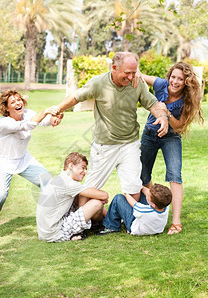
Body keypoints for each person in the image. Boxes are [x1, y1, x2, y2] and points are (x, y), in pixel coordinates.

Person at [54, 52, 169, 209]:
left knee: (134, 188)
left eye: (134, 72)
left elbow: (152, 104)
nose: (130, 77)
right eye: (127, 73)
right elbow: (75, 97)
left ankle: (130, 222)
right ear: (115, 68)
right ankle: (81, 222)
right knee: (89, 189)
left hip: (130, 144)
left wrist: (162, 117)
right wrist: (57, 110)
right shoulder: (98, 83)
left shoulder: (137, 83)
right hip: (104, 145)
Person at [0, 89, 61, 244]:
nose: (18, 103)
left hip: (23, 160)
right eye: (13, 102)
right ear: (6, 108)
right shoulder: (4, 123)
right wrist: (45, 111)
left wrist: (54, 119)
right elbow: (28, 125)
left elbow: (43, 121)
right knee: (1, 194)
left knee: (48, 182)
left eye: (19, 99)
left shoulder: (28, 113)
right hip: (3, 162)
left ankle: (50, 222)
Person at [137, 62, 204, 234]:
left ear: (186, 82)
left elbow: (180, 126)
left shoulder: (187, 100)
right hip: (150, 134)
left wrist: (167, 113)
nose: (175, 81)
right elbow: (140, 76)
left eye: (180, 79)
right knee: (143, 175)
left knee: (175, 175)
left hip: (171, 137)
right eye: (173, 77)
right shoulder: (161, 85)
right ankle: (154, 206)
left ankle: (176, 222)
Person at [36, 152, 108, 242]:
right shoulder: (68, 183)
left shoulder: (59, 179)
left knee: (85, 196)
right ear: (71, 165)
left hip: (45, 232)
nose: (85, 172)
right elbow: (104, 195)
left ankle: (109, 219)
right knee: (96, 203)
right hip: (55, 232)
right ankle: (107, 221)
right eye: (83, 168)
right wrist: (100, 198)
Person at [98, 184, 172, 236]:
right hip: (156, 229)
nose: (147, 194)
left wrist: (126, 192)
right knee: (143, 194)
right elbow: (147, 192)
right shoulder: (165, 205)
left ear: (153, 205)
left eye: (149, 196)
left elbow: (133, 203)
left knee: (118, 198)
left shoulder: (144, 210)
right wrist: (140, 186)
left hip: (135, 227)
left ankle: (111, 226)